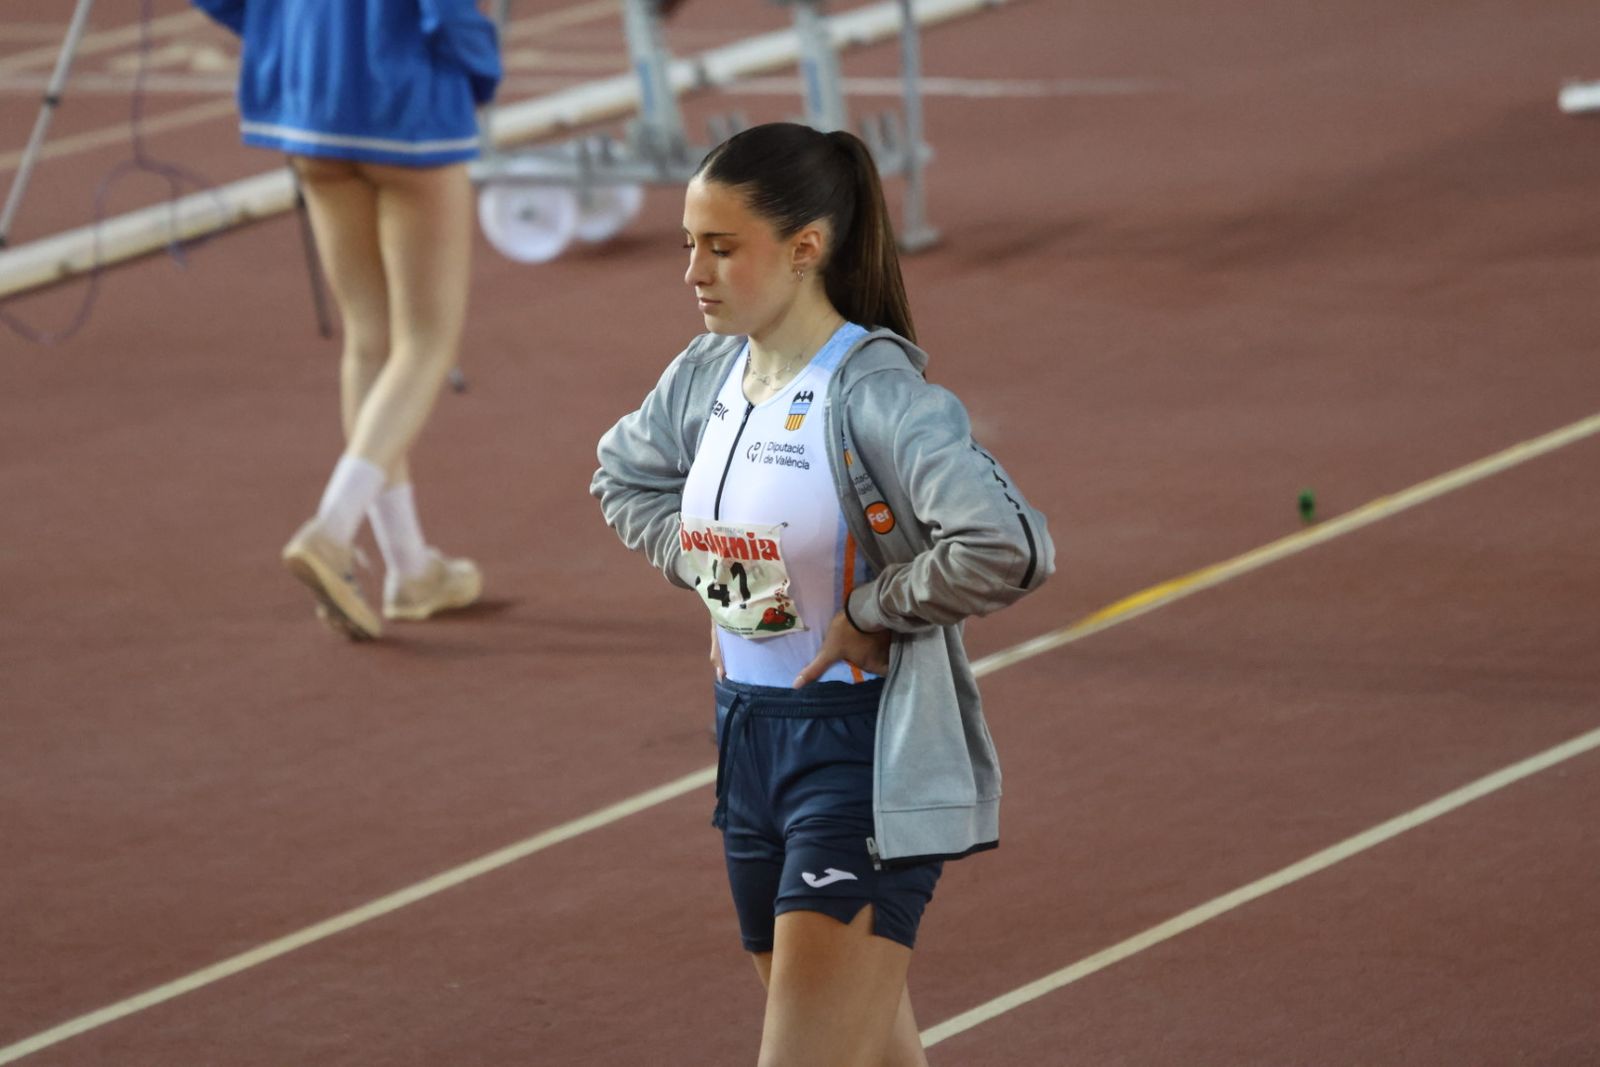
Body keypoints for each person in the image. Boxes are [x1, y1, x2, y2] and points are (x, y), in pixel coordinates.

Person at [591, 122, 1054, 1066]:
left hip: (860, 754)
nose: (694, 271)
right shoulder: (708, 375)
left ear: (806, 249)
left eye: (723, 247)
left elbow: (1007, 544)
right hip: (748, 740)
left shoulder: (876, 397)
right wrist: (704, 567)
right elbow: (623, 479)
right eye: (689, 244)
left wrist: (874, 612)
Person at [192, 0, 501, 639]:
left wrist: (280, 38)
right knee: (426, 342)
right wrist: (479, 64)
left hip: (305, 103)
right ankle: (332, 531)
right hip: (408, 100)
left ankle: (410, 568)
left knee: (370, 341)